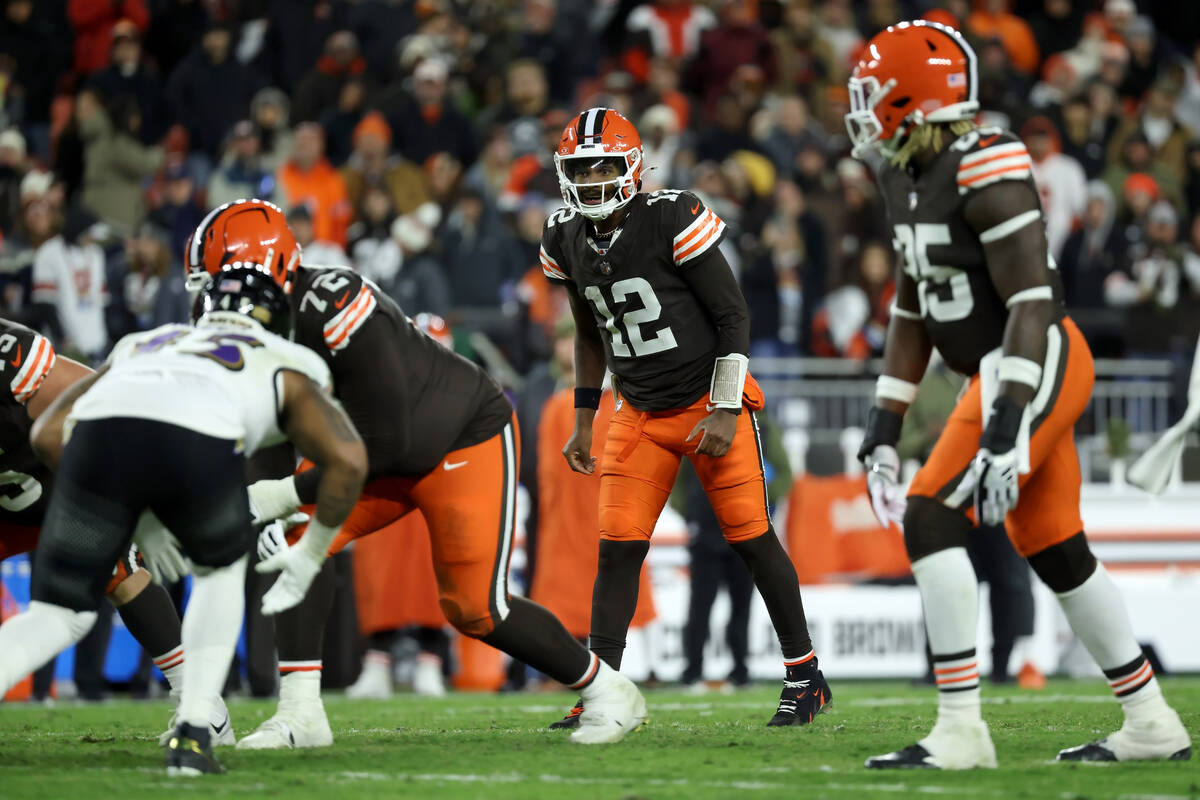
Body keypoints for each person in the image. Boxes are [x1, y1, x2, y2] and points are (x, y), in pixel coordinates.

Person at [845, 20, 1192, 768]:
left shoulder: (986, 161)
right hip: (995, 369)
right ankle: (1153, 722)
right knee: (1055, 546)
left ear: (916, 97)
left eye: (875, 94)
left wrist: (1006, 424)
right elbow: (915, 303)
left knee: (932, 513)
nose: (864, 109)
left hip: (1033, 359)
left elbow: (1032, 300)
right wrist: (882, 424)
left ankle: (962, 728)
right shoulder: (901, 171)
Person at [184, 199, 646, 747]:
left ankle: (609, 692)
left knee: (478, 609)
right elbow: (269, 430)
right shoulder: (231, 321)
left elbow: (387, 438)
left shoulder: (335, 303)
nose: (217, 299)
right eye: (209, 285)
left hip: (457, 437)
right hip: (374, 451)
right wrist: (261, 497)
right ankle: (301, 712)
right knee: (290, 538)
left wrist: (282, 490)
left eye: (227, 282)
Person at [0, 266, 367, 775]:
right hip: (198, 440)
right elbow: (349, 461)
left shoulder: (144, 342)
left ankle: (200, 718)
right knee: (217, 575)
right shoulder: (291, 359)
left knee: (58, 614)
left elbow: (47, 434)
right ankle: (196, 732)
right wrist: (311, 552)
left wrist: (118, 508)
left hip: (93, 447)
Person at [540, 107, 830, 729]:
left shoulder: (670, 214)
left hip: (706, 401)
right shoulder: (563, 236)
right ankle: (603, 691)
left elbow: (734, 317)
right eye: (578, 170)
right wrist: (585, 417)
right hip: (639, 410)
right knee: (617, 551)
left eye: (603, 167)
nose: (590, 181)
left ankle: (805, 675)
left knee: (751, 539)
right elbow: (589, 334)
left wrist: (726, 407)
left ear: (633, 168)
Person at [0, 316, 230, 741]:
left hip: (56, 478)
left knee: (119, 573)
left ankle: (202, 707)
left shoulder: (8, 356)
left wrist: (135, 499)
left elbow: (102, 402)